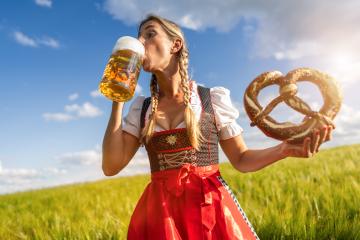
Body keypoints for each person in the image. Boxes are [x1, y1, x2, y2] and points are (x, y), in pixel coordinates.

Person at [101, 14, 334, 240]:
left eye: (150, 34)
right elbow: (111, 167)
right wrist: (118, 99)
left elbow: (241, 159)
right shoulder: (141, 109)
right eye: (138, 37)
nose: (140, 43)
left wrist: (284, 150)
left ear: (175, 45)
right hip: (162, 217)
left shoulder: (210, 99)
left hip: (210, 210)